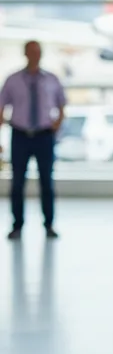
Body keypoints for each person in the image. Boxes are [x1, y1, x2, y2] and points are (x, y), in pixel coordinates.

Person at [2, 41, 66, 240]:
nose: (34, 55)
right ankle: (17, 225)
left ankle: (49, 224)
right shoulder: (12, 80)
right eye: (31, 52)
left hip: (44, 136)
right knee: (18, 182)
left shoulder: (52, 79)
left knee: (46, 181)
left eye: (37, 52)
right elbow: (2, 107)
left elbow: (62, 105)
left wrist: (56, 125)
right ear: (25, 54)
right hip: (20, 135)